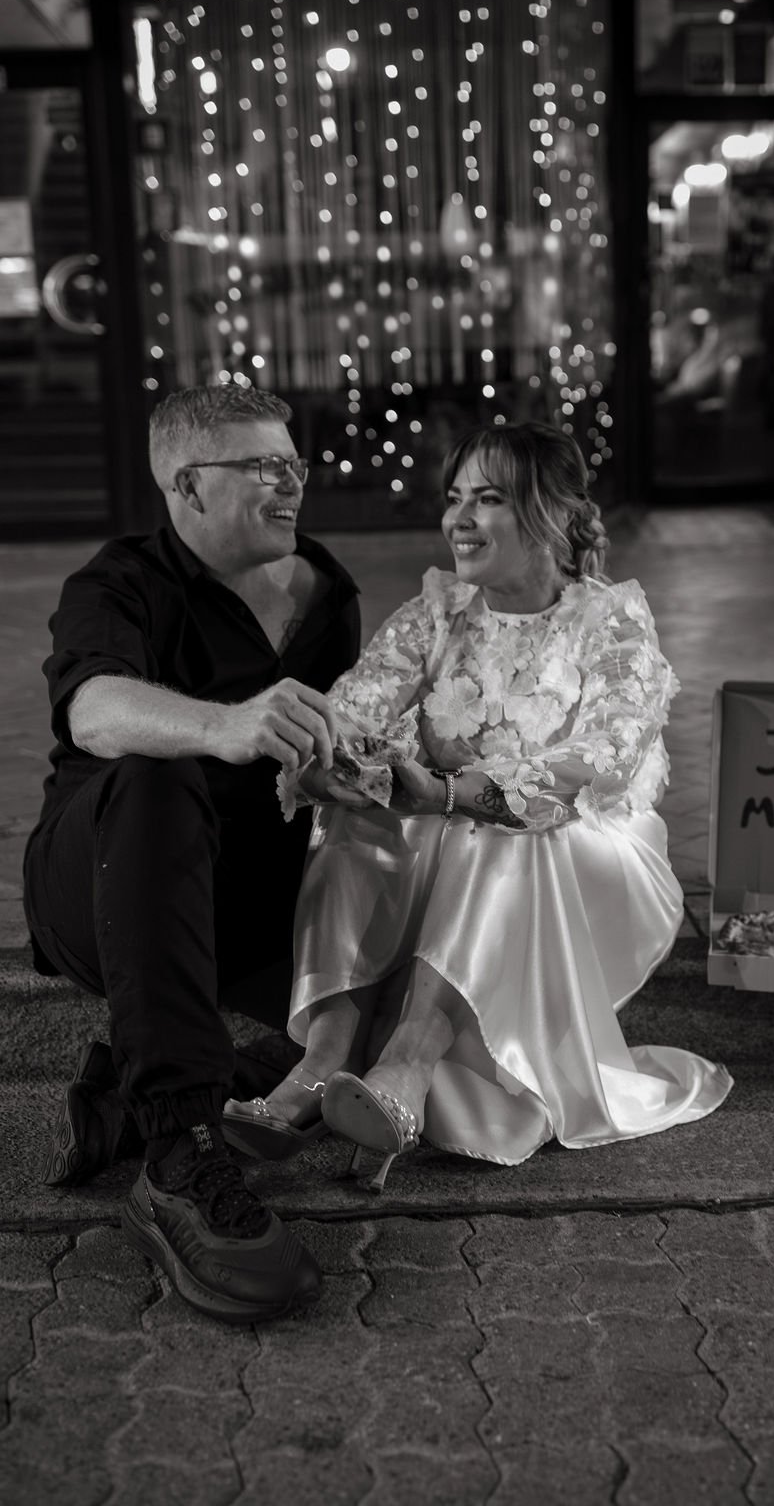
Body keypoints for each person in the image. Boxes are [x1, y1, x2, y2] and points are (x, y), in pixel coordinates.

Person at [222, 420, 732, 1189]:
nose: (459, 519)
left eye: (488, 499)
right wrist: (327, 761)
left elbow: (597, 761)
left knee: (504, 824)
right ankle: (323, 1061)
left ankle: (408, 1063)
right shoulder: (440, 611)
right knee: (354, 811)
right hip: (451, 832)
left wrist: (459, 792)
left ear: (553, 515)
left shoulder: (610, 621)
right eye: (455, 497)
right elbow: (356, 703)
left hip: (588, 852)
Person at [23, 383, 361, 1322]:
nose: (291, 483)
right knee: (158, 771)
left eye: (294, 463)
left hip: (237, 903)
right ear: (187, 485)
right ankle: (176, 1151)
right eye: (262, 468)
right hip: (101, 888)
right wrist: (221, 725)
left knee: (394, 984)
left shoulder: (327, 589)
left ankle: (129, 1100)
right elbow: (93, 712)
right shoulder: (119, 581)